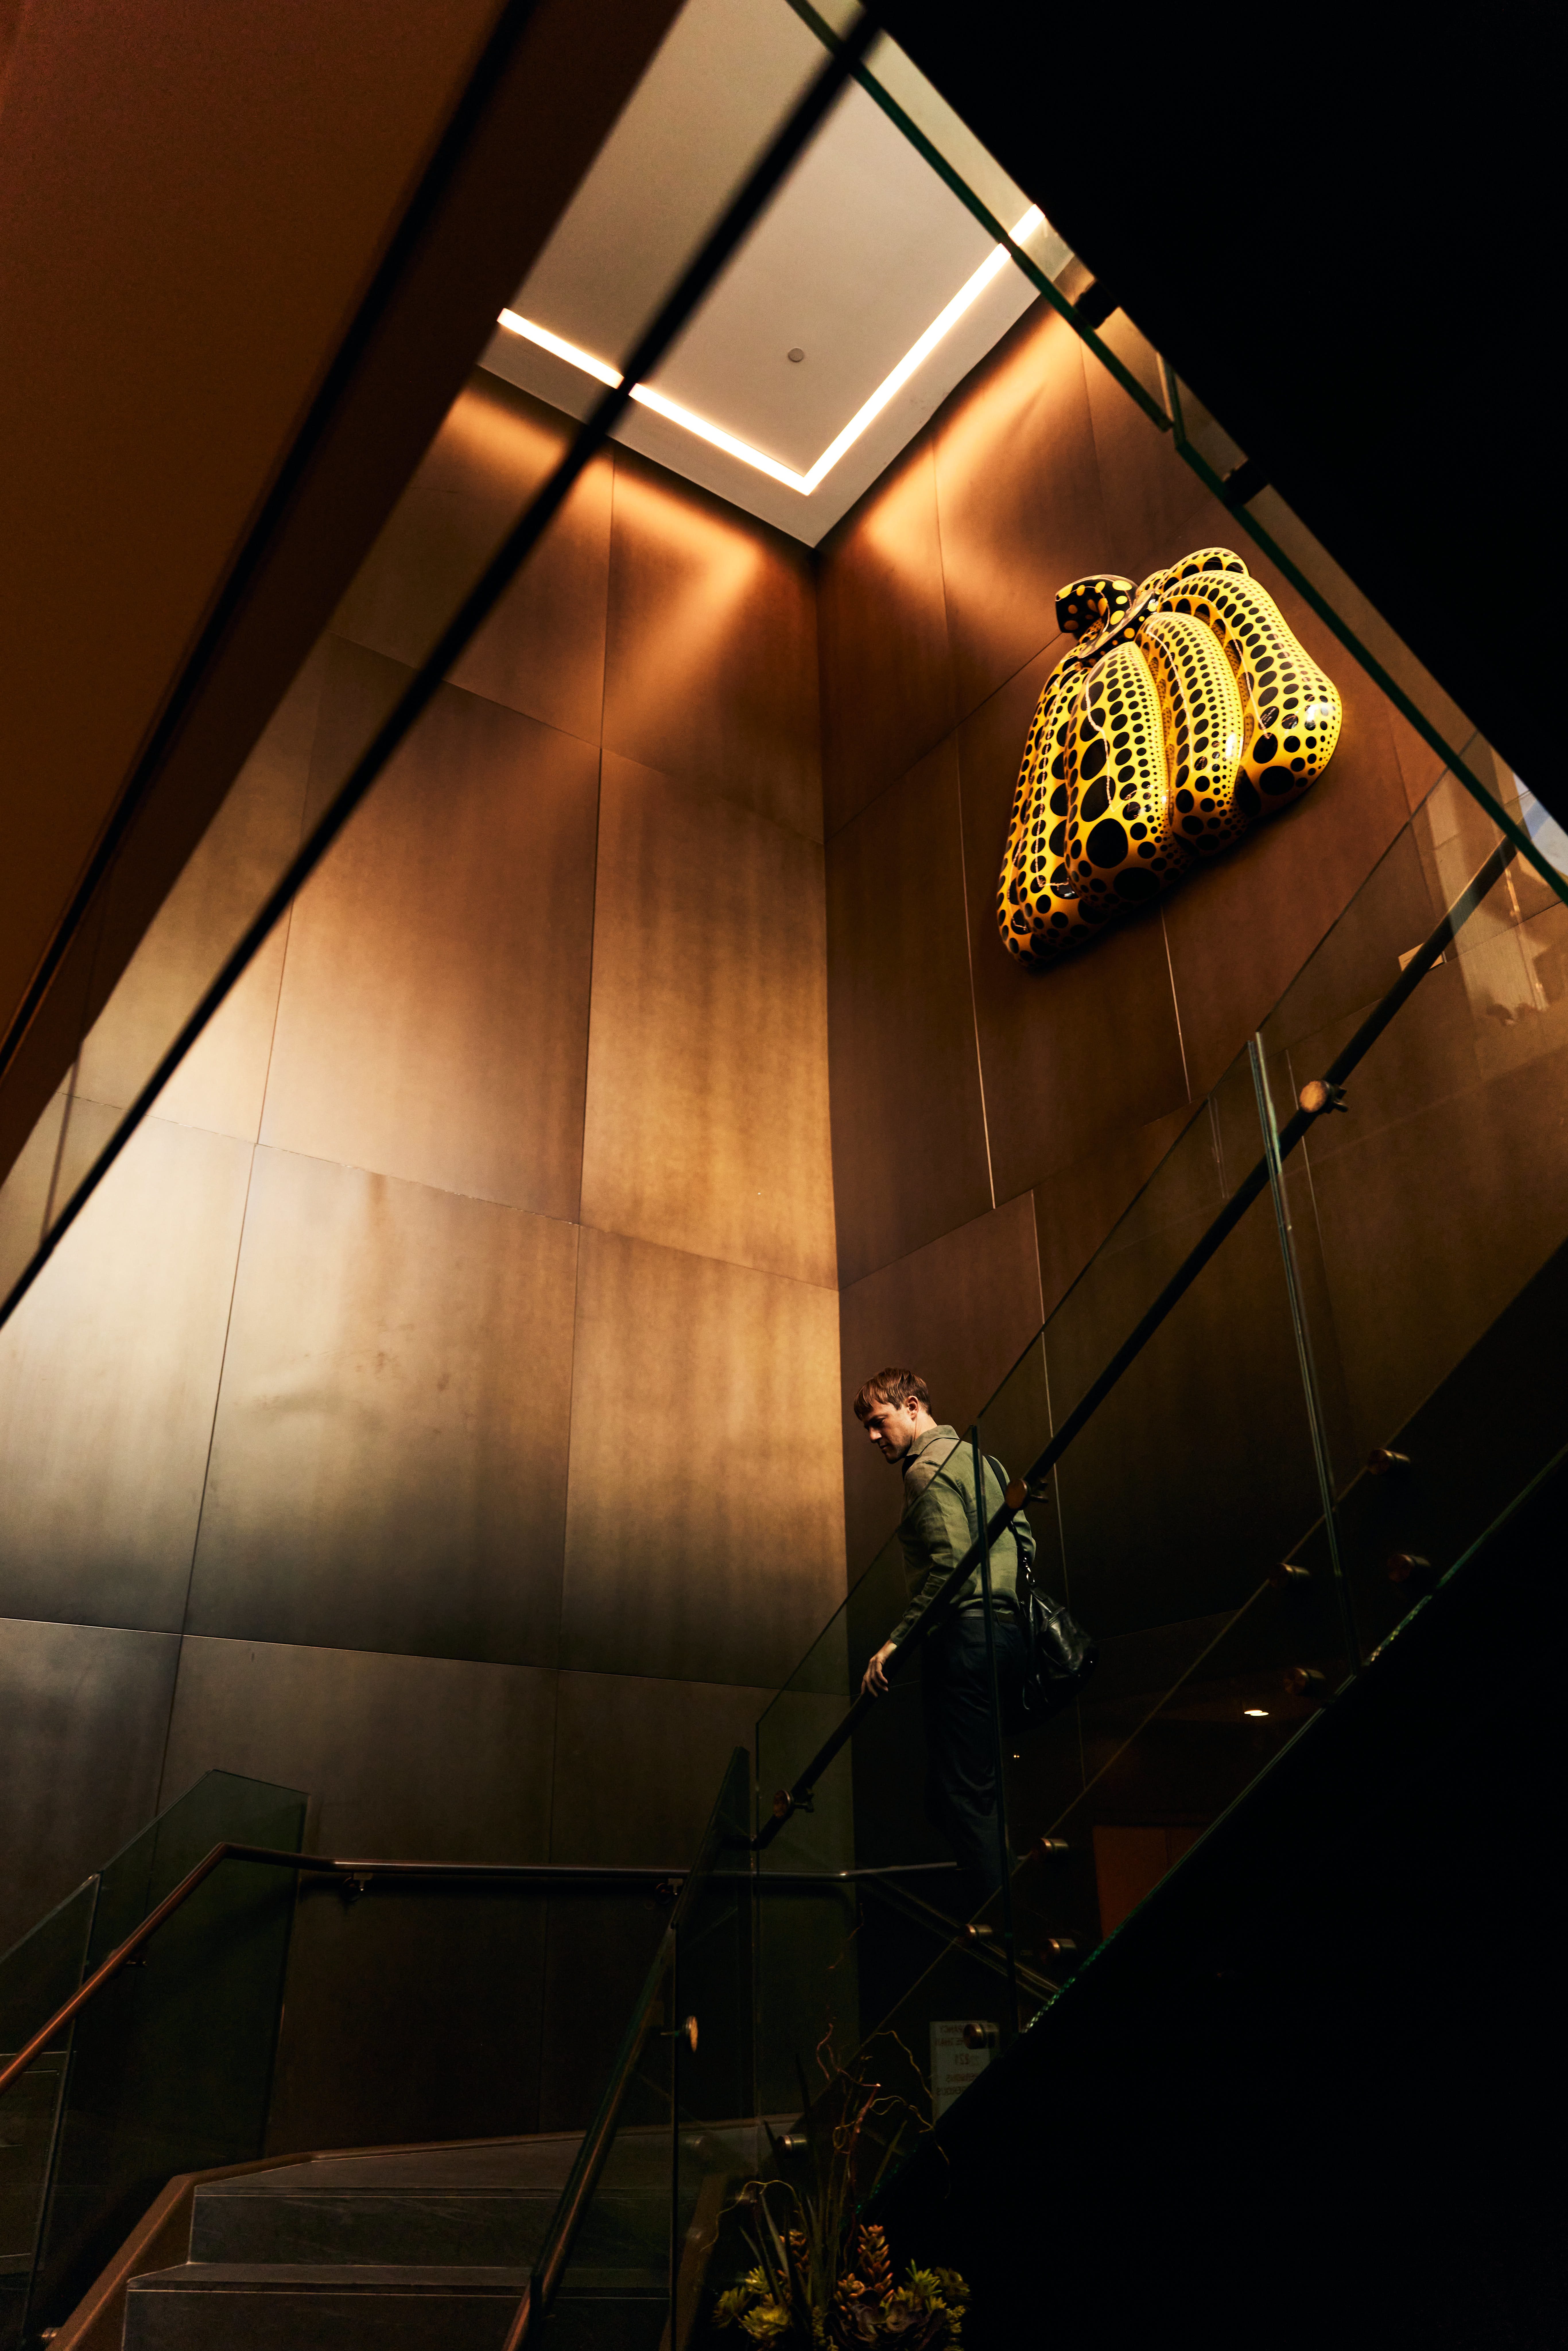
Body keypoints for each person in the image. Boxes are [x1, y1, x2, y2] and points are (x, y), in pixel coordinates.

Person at [854, 1367, 1032, 1917]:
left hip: (964, 1639)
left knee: (963, 1797)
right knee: (968, 1789)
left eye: (879, 1422)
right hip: (1008, 1636)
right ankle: (1003, 1917)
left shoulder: (924, 1470)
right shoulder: (986, 1461)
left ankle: (1007, 1935)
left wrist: (893, 1645)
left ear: (912, 1407)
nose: (872, 1438)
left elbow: (950, 1566)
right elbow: (1024, 1540)